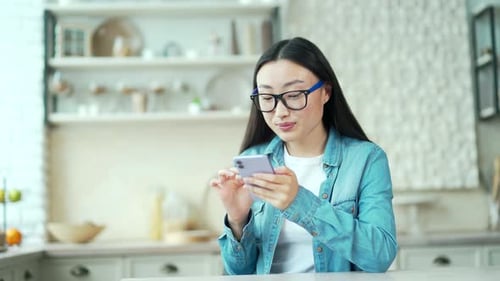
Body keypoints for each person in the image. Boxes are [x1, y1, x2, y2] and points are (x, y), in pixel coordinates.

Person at [209, 37, 398, 274]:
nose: (280, 112)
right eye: (267, 98)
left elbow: (380, 256)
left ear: (326, 92)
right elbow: (239, 273)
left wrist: (298, 201)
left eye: (295, 94)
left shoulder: (366, 160)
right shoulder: (253, 159)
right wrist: (237, 220)